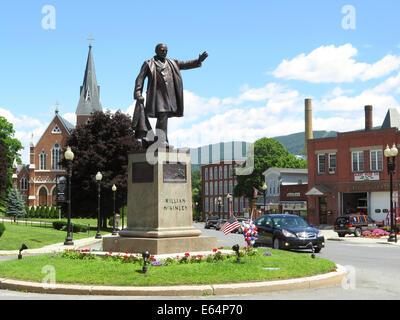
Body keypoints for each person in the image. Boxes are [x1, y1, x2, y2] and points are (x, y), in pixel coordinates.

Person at [133, 43, 208, 147]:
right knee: (163, 115)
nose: (164, 52)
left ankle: (161, 139)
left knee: (164, 117)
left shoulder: (172, 62)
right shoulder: (148, 63)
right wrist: (137, 92)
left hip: (169, 95)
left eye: (166, 51)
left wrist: (198, 61)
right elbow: (140, 78)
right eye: (162, 50)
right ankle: (161, 140)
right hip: (156, 95)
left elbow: (185, 64)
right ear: (156, 51)